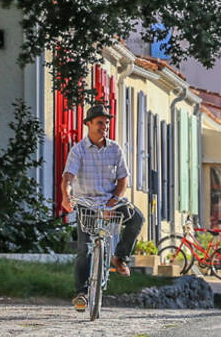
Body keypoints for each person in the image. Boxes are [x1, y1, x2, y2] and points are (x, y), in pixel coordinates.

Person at [60, 105, 143, 312]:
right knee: (85, 248)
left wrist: (113, 201)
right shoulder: (78, 150)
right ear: (88, 124)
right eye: (99, 122)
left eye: (106, 123)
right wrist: (66, 196)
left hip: (111, 202)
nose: (104, 126)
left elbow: (123, 180)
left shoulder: (115, 149)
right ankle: (81, 294)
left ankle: (119, 257)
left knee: (137, 218)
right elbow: (68, 177)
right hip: (86, 204)